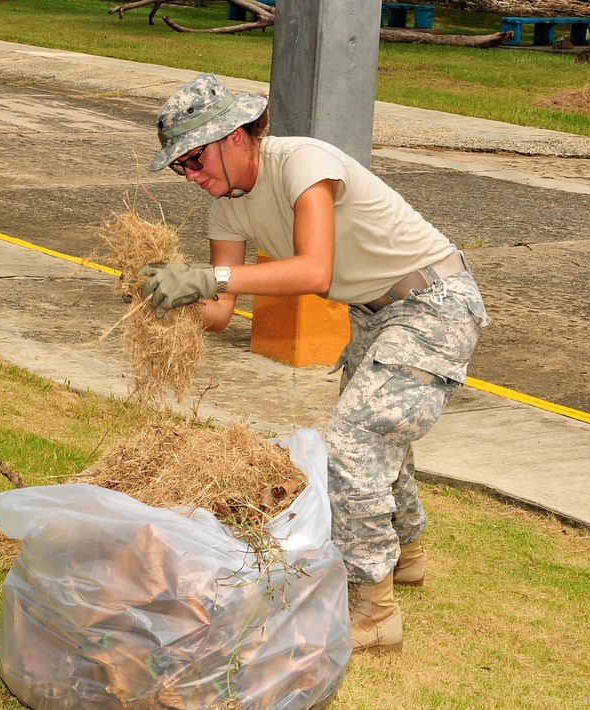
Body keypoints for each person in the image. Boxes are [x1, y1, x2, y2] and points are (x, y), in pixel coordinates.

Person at [139, 73, 489, 653]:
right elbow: (221, 312)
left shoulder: (302, 162)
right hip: (375, 315)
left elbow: (312, 272)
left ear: (234, 137)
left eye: (196, 159)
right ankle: (405, 555)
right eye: (182, 168)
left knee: (351, 445)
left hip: (435, 304)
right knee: (379, 438)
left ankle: (375, 615)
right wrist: (161, 299)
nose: (192, 177)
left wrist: (207, 277)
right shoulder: (227, 209)